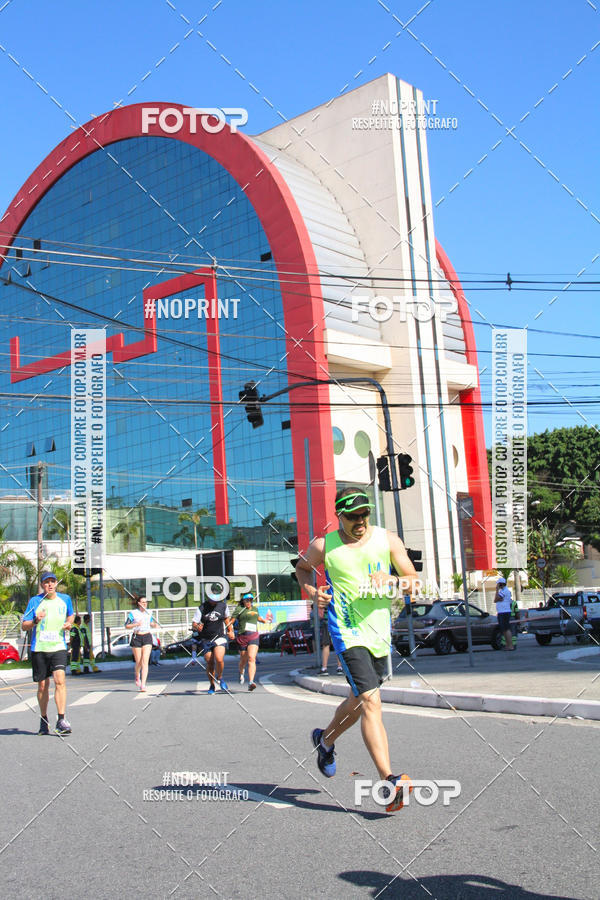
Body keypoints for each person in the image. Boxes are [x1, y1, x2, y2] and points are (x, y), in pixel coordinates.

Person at [296, 487, 419, 813]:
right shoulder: (324, 546)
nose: (360, 521)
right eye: (353, 516)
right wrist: (313, 592)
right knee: (371, 701)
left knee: (358, 699)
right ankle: (389, 781)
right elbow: (302, 568)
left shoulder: (388, 540)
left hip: (379, 634)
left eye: (364, 514)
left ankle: (325, 740)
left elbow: (413, 579)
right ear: (339, 516)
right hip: (347, 632)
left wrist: (393, 581)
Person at [22, 571, 75, 735]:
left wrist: (68, 623)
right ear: (42, 585)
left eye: (52, 581)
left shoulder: (65, 599)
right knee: (43, 686)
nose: (50, 584)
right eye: (46, 582)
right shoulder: (35, 601)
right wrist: (36, 620)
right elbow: (24, 625)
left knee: (60, 680)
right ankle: (44, 719)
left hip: (58, 647)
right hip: (40, 648)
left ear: (56, 583)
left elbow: (71, 615)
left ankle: (61, 720)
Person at [192, 596, 234, 694]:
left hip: (219, 636)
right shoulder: (202, 608)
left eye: (216, 599)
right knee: (210, 662)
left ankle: (220, 677)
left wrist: (230, 630)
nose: (214, 601)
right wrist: (197, 627)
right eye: (212, 599)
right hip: (206, 639)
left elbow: (226, 619)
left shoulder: (223, 606)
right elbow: (194, 623)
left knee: (219, 659)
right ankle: (212, 684)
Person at [232, 592, 266, 691]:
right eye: (247, 600)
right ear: (243, 601)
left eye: (250, 600)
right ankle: (241, 672)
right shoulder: (239, 609)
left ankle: (251, 682)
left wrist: (263, 620)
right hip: (242, 636)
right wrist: (229, 629)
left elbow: (257, 617)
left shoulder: (255, 609)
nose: (249, 602)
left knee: (251, 658)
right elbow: (232, 620)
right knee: (243, 659)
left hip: (253, 635)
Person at [125, 596, 158, 691]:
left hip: (147, 636)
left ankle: (143, 684)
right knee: (139, 661)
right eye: (143, 602)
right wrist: (136, 624)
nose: (145, 604)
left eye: (146, 602)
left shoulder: (149, 612)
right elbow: (126, 625)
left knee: (145, 661)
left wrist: (154, 625)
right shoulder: (133, 613)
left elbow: (150, 622)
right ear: (139, 603)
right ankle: (137, 675)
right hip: (137, 637)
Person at [313, 604, 343, 676]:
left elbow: (320, 614)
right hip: (339, 620)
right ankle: (340, 667)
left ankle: (324, 668)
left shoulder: (325, 598)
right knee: (338, 644)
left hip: (328, 621)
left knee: (326, 644)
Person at [494, 577, 514, 651]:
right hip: (502, 611)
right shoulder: (503, 591)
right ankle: (508, 645)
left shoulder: (504, 591)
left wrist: (496, 590)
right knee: (504, 629)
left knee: (506, 628)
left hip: (504, 612)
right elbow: (497, 599)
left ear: (500, 584)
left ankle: (510, 645)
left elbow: (495, 599)